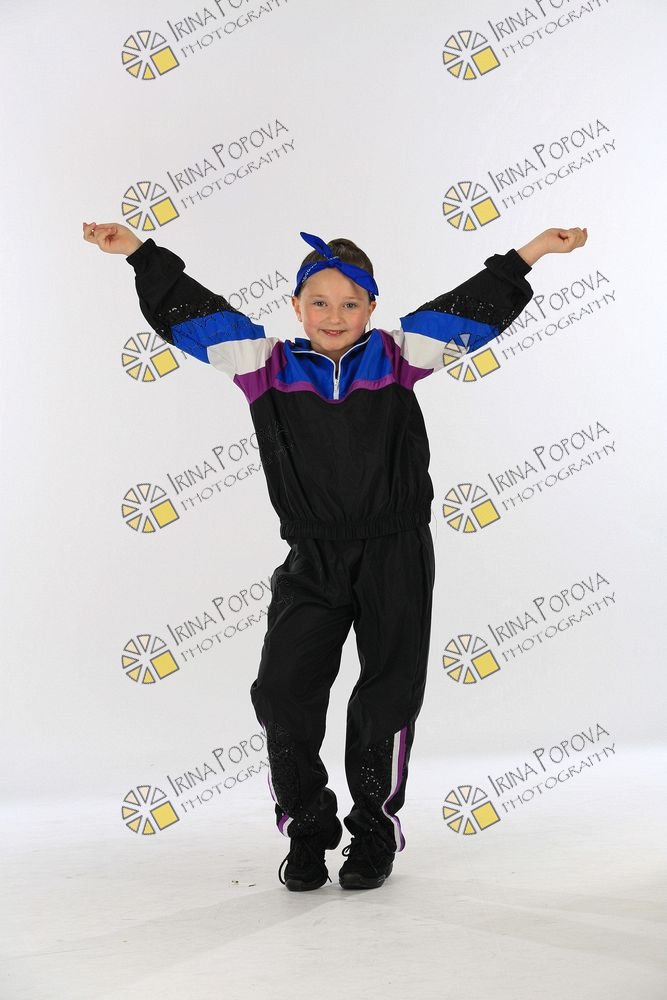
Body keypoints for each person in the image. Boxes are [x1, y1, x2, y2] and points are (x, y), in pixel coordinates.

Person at [82, 219, 588, 891]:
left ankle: (373, 832)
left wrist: (532, 253)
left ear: (371, 307)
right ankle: (308, 827)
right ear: (295, 306)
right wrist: (140, 254)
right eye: (318, 302)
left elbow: (472, 307)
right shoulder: (263, 365)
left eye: (350, 303)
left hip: (395, 551)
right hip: (312, 556)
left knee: (388, 693)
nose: (334, 315)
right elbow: (192, 313)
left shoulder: (399, 356)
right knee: (283, 691)